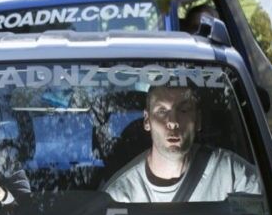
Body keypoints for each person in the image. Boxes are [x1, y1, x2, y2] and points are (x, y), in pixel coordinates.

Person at [103, 83, 261, 204]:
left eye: (183, 110)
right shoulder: (120, 196)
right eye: (162, 111)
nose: (173, 122)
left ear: (198, 120)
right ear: (147, 120)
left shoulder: (232, 176)